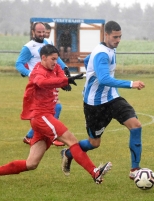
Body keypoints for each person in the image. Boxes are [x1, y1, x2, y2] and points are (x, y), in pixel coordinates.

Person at [0, 44, 112, 184]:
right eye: (53, 59)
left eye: (56, 59)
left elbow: (60, 75)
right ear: (43, 58)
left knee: (31, 163)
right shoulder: (37, 71)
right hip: (41, 117)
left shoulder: (55, 68)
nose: (56, 62)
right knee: (71, 139)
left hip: (46, 118)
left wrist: (64, 81)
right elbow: (42, 82)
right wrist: (64, 81)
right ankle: (95, 172)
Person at [60, 21, 145, 180]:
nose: (118, 40)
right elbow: (104, 79)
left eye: (120, 36)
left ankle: (135, 169)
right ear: (105, 35)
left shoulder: (108, 48)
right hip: (95, 104)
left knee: (136, 126)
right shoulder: (101, 53)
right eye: (115, 37)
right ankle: (68, 153)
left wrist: (90, 65)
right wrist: (131, 84)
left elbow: (87, 62)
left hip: (112, 98)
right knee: (94, 143)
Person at [16, 22, 71, 146]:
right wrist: (30, 74)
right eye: (39, 32)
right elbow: (19, 64)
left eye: (43, 32)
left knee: (52, 108)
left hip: (49, 81)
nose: (41, 34)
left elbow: (56, 57)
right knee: (53, 107)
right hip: (39, 84)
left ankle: (33, 136)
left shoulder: (47, 43)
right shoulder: (28, 47)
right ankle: (52, 135)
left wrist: (65, 67)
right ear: (33, 32)